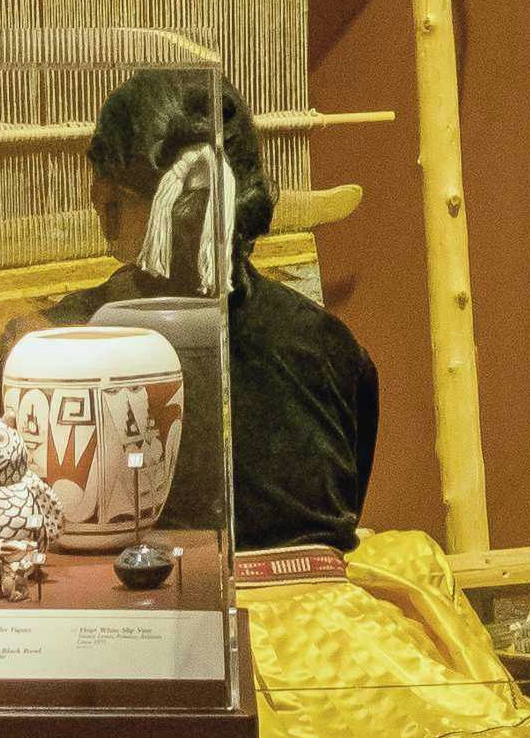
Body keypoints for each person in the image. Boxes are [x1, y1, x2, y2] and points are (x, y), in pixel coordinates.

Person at [84, 67, 379, 550]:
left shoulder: (58, 346)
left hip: (146, 618)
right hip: (325, 622)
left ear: (110, 195)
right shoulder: (332, 351)